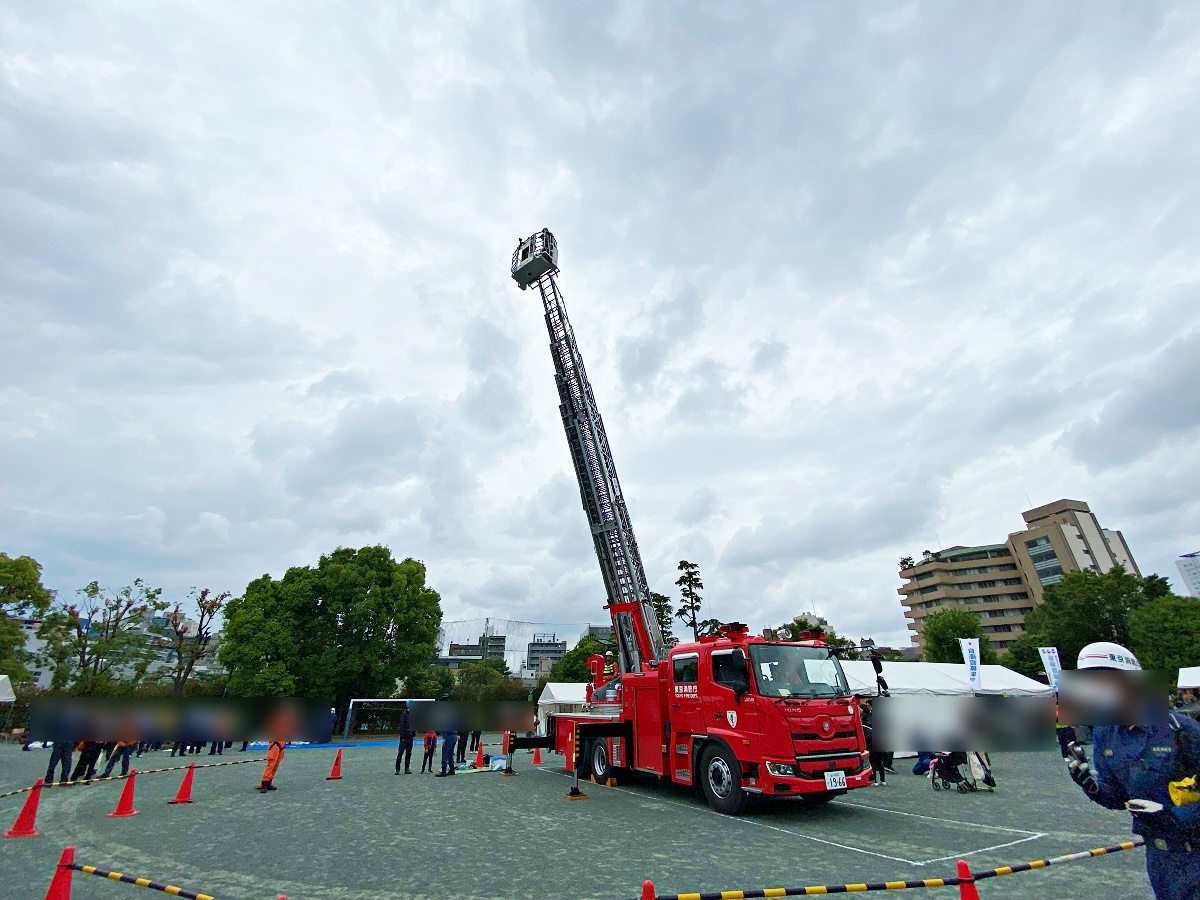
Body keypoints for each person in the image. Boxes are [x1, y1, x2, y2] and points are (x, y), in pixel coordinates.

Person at [1066, 642, 1200, 899]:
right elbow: (1118, 796)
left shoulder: (1178, 729)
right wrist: (1093, 789)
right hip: (1160, 858)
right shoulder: (1105, 732)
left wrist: (1173, 816)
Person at [859, 697, 886, 786]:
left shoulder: (866, 720)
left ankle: (876, 780)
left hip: (872, 741)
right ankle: (881, 780)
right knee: (878, 761)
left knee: (874, 762)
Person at [396, 703, 415, 775]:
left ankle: (407, 768)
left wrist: (413, 734)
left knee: (409, 753)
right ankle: (397, 769)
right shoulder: (403, 715)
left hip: (410, 737)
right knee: (400, 753)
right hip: (404, 737)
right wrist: (402, 737)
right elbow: (401, 727)